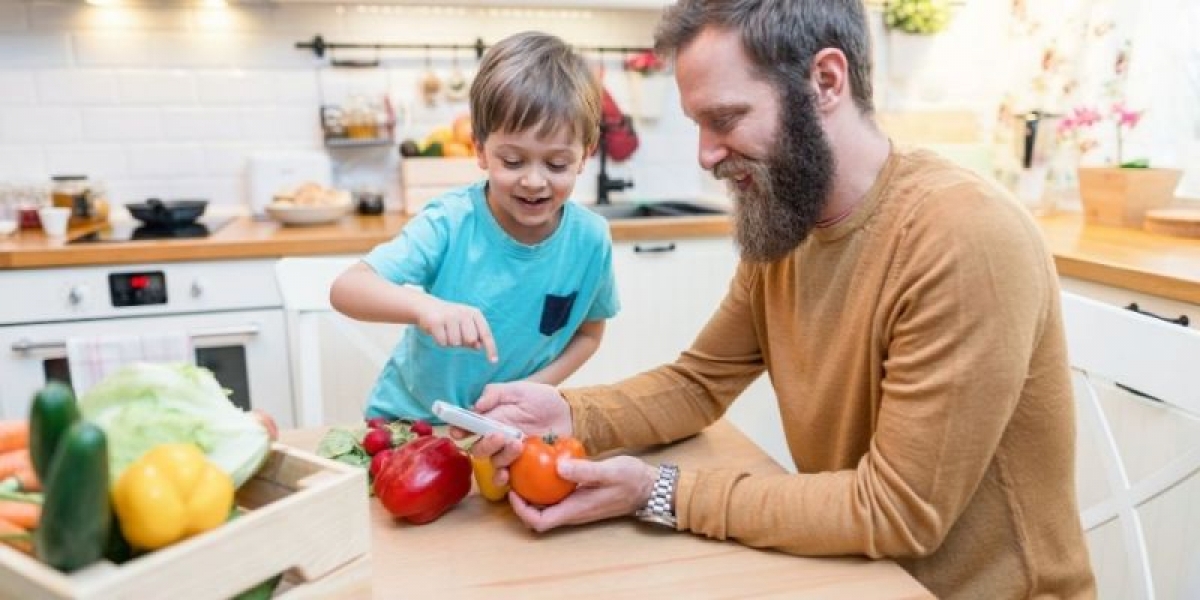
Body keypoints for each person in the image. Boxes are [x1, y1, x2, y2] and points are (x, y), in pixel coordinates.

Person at [465, 2, 1096, 599]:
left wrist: (657, 494)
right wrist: (565, 414)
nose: (706, 153)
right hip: (851, 575)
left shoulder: (962, 236)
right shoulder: (788, 222)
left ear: (824, 80)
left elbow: (898, 512)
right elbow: (698, 382)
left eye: (726, 119)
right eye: (699, 125)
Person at [330, 31, 620, 422]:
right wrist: (424, 307)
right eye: (513, 161)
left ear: (585, 155)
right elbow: (347, 288)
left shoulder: (590, 239)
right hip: (411, 423)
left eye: (556, 164)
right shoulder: (450, 222)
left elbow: (588, 334)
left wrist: (531, 390)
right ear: (480, 149)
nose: (534, 181)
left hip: (506, 426)